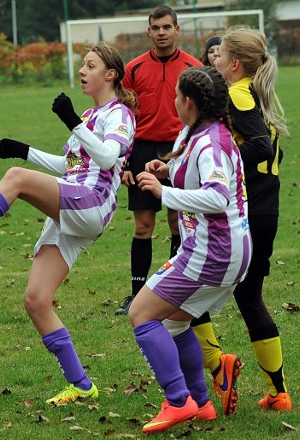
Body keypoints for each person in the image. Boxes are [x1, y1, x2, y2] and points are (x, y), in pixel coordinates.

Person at [0, 42, 136, 405]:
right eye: (83, 64)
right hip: (76, 198)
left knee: (17, 179)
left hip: (91, 202)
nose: (82, 70)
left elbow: (107, 156)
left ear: (110, 74)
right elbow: (70, 165)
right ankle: (82, 385)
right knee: (37, 301)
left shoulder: (119, 115)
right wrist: (24, 149)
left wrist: (73, 123)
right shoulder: (90, 114)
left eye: (90, 65)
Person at [128, 66, 251, 434]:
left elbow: (215, 195)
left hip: (213, 251)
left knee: (141, 314)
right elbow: (193, 168)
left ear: (190, 102)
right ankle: (200, 403)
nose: (174, 102)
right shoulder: (198, 132)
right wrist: (166, 169)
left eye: (177, 96)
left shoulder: (210, 143)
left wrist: (163, 192)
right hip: (221, 248)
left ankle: (178, 401)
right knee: (174, 323)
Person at [182, 27, 293, 415]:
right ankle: (277, 393)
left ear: (234, 63)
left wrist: (227, 169)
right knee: (249, 296)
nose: (212, 59)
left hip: (246, 214)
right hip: (264, 210)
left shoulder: (237, 93)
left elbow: (259, 146)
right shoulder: (253, 92)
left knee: (185, 287)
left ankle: (218, 367)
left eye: (219, 55)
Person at [116, 4, 202, 315]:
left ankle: (175, 292)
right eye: (156, 28)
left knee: (178, 223)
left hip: (180, 149)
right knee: (143, 226)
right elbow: (122, 118)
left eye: (167, 27)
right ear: (149, 32)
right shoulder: (134, 69)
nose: (162, 32)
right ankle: (137, 295)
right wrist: (124, 163)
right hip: (141, 151)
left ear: (177, 30)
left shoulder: (193, 67)